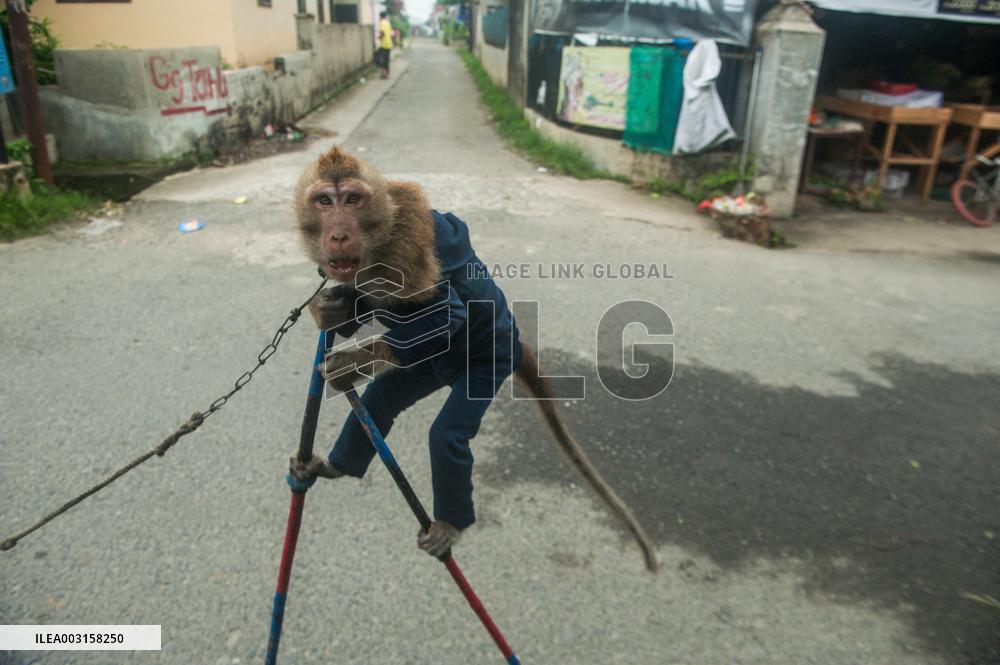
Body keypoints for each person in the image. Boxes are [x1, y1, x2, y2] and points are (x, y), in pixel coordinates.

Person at [377, 11, 393, 79]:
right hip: (389, 44)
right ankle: (386, 73)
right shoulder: (388, 23)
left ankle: (384, 74)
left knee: (378, 58)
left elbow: (382, 33)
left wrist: (378, 37)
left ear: (380, 16)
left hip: (384, 44)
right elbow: (391, 33)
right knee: (386, 60)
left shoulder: (382, 23)